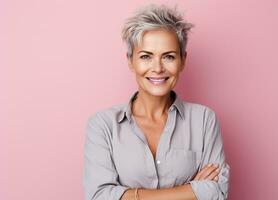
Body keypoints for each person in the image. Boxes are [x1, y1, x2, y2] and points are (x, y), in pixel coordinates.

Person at [83, 3, 230, 200]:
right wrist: (192, 190)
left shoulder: (204, 120)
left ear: (183, 60)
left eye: (168, 57)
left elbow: (217, 192)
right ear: (130, 60)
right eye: (146, 57)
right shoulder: (103, 125)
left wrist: (128, 194)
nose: (158, 68)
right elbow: (99, 196)